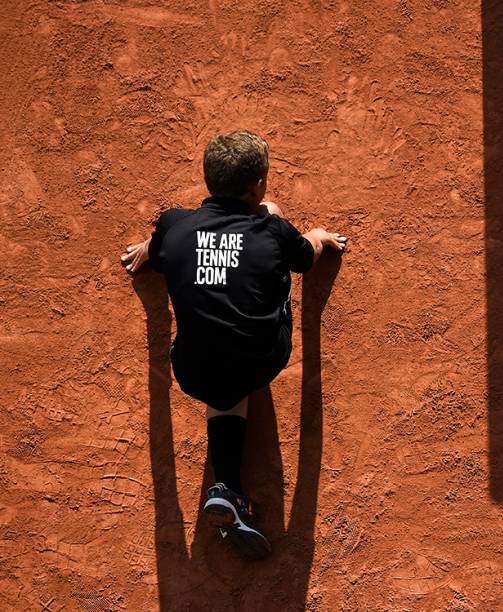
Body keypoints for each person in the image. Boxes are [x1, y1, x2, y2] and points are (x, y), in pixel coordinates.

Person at [121, 130, 347, 559]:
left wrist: (151, 250)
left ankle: (227, 487)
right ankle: (225, 487)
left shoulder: (173, 227)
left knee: (217, 361)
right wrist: (316, 235)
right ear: (256, 186)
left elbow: (162, 242)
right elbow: (306, 257)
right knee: (241, 340)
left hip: (192, 369)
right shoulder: (273, 229)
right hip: (261, 361)